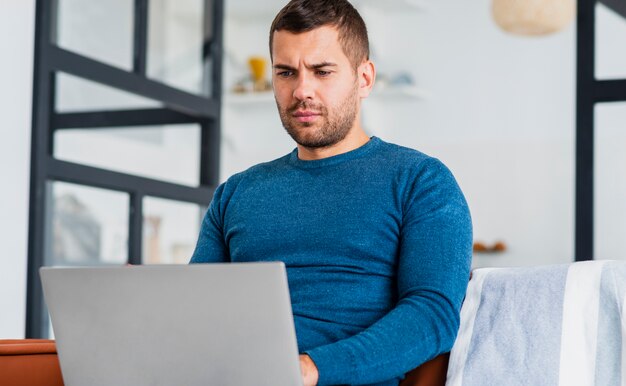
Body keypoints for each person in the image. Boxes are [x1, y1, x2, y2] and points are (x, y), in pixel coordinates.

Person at [190, 0, 472, 385]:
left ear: (364, 78)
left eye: (322, 71)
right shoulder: (236, 192)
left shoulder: (421, 180)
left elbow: (433, 314)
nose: (301, 90)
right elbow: (192, 309)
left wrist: (311, 368)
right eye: (286, 72)